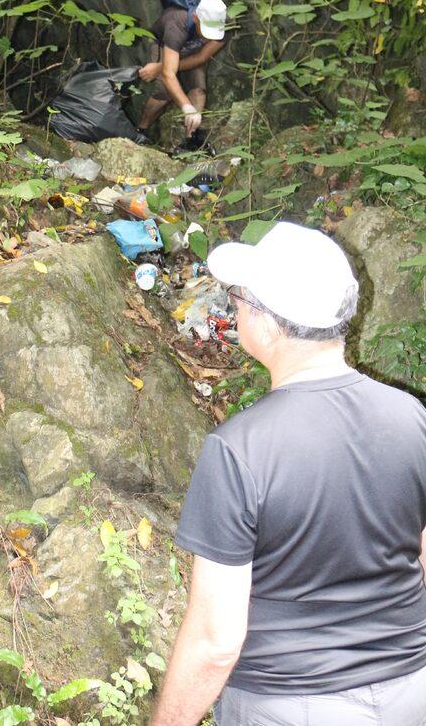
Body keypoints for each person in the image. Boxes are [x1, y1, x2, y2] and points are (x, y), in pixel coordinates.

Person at [152, 221, 426, 726]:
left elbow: (216, 640)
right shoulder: (412, 416)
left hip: (291, 704)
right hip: (411, 690)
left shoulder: (239, 450)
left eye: (239, 298)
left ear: (271, 324)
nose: (233, 308)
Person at [137, 0, 227, 149]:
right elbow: (169, 75)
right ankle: (141, 131)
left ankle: (191, 139)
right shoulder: (175, 21)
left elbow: (202, 57)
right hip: (166, 44)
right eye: (207, 30)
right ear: (196, 17)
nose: (211, 37)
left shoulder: (225, 24)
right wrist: (186, 107)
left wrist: (159, 68)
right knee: (164, 92)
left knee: (198, 90)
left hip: (193, 48)